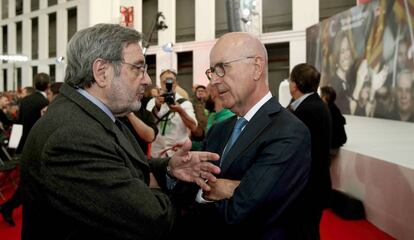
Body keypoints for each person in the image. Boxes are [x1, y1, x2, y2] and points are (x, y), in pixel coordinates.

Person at [19, 23, 220, 240]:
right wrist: (193, 194)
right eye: (138, 68)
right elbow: (152, 220)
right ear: (101, 72)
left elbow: (120, 162)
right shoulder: (71, 136)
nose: (148, 80)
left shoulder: (90, 115)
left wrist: (169, 168)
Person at [175, 32, 312, 239]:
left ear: (256, 67)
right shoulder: (219, 130)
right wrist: (227, 188)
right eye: (212, 72)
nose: (214, 81)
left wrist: (203, 188)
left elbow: (241, 212)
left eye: (222, 68)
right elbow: (186, 191)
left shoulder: (289, 131)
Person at [288, 63, 332, 239]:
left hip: (307, 186)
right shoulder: (312, 105)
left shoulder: (307, 110)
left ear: (295, 84)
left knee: (305, 232)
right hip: (313, 183)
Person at [0, 73, 50, 227]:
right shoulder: (45, 102)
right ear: (48, 86)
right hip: (38, 146)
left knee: (30, 181)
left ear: (35, 85)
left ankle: (9, 207)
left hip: (23, 144)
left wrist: (14, 145)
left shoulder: (25, 100)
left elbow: (18, 124)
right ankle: (8, 207)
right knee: (31, 182)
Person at [146, 69, 197, 157]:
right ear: (160, 83)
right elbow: (147, 126)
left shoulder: (184, 103)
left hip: (177, 153)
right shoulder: (152, 102)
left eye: (171, 81)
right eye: (165, 81)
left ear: (176, 83)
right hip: (157, 155)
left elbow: (193, 127)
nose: (168, 84)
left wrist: (180, 111)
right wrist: (157, 107)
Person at [320, 86, 347, 156]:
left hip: (331, 147)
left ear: (325, 97)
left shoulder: (327, 111)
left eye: (321, 95)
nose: (319, 97)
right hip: (335, 145)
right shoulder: (334, 109)